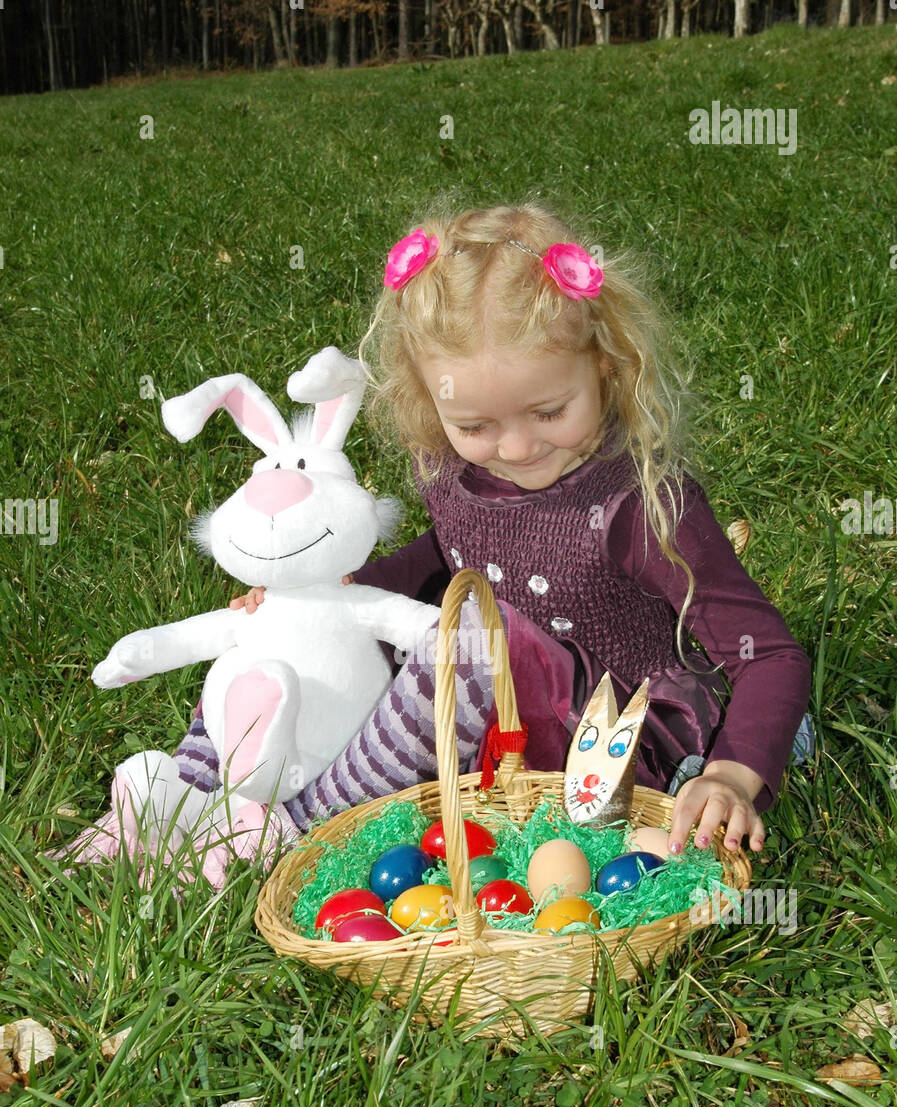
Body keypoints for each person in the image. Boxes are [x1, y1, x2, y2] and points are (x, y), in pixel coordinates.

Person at [164, 202, 814, 864]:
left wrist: (731, 775)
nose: (516, 446)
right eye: (474, 425)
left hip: (617, 745)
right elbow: (451, 554)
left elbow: (770, 655)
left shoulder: (638, 505)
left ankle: (302, 824)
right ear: (426, 397)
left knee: (473, 640)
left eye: (548, 411)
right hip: (498, 728)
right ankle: (186, 791)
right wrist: (339, 597)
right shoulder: (452, 472)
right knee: (292, 627)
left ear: (606, 365)